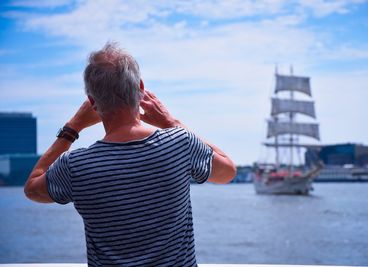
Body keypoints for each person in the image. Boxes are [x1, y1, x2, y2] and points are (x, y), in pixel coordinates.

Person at [24, 42, 236, 267]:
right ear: (141, 87)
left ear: (93, 102)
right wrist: (172, 124)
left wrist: (72, 127)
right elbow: (227, 171)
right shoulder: (179, 144)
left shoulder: (76, 166)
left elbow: (32, 189)